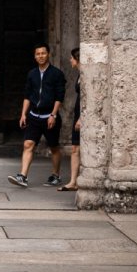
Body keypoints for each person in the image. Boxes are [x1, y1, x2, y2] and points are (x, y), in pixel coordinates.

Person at [8, 43, 66, 188]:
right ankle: (22, 176)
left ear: (48, 54)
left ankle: (55, 175)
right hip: (34, 116)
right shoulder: (32, 74)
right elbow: (27, 95)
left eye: (43, 53)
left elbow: (60, 96)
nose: (41, 56)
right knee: (28, 144)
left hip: (49, 116)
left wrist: (53, 115)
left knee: (53, 147)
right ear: (35, 56)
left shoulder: (56, 74)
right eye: (38, 54)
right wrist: (23, 114)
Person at [58, 47, 81, 192]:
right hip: (78, 113)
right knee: (75, 148)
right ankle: (73, 181)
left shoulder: (84, 75)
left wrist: (81, 118)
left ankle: (75, 181)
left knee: (77, 148)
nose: (70, 60)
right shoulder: (80, 75)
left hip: (81, 115)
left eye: (72, 57)